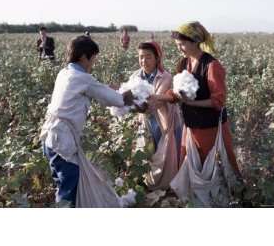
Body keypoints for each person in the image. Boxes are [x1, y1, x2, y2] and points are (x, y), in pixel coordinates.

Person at [153, 21, 242, 206]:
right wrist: (158, 97)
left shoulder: (212, 65)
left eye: (182, 44)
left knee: (211, 168)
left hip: (209, 128)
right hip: (191, 126)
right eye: (177, 45)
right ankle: (197, 202)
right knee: (192, 165)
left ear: (195, 42)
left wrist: (191, 102)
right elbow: (177, 93)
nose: (180, 49)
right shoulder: (184, 63)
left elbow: (218, 101)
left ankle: (220, 202)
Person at [40, 35, 134, 207]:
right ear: (84, 57)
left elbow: (95, 89)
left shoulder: (65, 73)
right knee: (68, 187)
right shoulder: (81, 78)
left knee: (62, 183)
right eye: (93, 58)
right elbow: (114, 99)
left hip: (50, 138)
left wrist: (110, 89)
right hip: (62, 141)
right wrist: (131, 95)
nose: (94, 63)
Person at [130, 41, 182, 191]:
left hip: (163, 119)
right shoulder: (135, 76)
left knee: (166, 152)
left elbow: (154, 102)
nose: (144, 61)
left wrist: (130, 101)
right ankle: (150, 182)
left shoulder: (165, 77)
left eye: (148, 57)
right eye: (141, 57)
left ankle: (167, 184)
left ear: (157, 58)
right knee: (148, 148)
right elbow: (131, 95)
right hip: (145, 119)